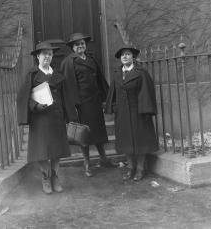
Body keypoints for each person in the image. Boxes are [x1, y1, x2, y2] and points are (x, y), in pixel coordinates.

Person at [17, 41, 77, 194]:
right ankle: (45, 177)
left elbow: (66, 97)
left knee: (57, 150)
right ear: (38, 56)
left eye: (50, 54)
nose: (47, 57)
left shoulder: (58, 75)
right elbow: (23, 97)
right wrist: (35, 106)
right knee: (42, 151)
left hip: (56, 117)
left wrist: (70, 116)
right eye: (44, 54)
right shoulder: (32, 74)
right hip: (40, 118)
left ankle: (55, 177)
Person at [61, 32, 116, 177]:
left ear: (85, 45)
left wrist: (106, 99)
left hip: (95, 102)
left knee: (98, 132)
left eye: (82, 44)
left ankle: (103, 158)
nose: (80, 46)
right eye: (77, 44)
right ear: (73, 47)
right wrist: (72, 106)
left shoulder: (92, 59)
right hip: (81, 104)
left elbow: (100, 79)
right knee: (84, 134)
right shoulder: (69, 62)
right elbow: (67, 86)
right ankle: (87, 163)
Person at [105, 47, 158, 181]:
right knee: (126, 141)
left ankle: (140, 168)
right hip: (122, 112)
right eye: (123, 55)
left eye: (128, 54)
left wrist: (146, 110)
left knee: (140, 141)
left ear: (133, 57)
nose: (125, 57)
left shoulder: (140, 73)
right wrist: (112, 107)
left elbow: (147, 92)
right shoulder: (117, 72)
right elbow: (113, 91)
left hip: (138, 111)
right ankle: (131, 167)